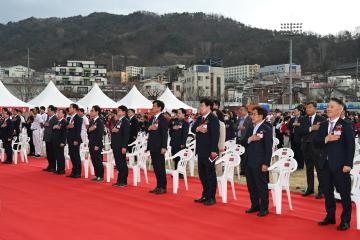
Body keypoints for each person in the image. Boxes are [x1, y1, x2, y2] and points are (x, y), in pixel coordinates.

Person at [314, 98, 355, 231]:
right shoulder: (324, 124)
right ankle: (330, 216)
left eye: (331, 106)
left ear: (340, 109)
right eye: (328, 106)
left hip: (340, 166)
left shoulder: (346, 124)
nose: (328, 109)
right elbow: (316, 142)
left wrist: (348, 164)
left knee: (344, 194)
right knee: (327, 192)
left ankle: (345, 220)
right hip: (324, 164)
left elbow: (351, 146)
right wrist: (327, 138)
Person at [241, 106, 273, 217]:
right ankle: (255, 205)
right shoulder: (250, 128)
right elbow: (243, 142)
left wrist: (266, 163)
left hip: (260, 162)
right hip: (249, 160)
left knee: (261, 186)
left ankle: (264, 208)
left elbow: (269, 148)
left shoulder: (266, 128)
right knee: (251, 185)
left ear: (260, 116)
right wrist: (250, 139)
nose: (252, 116)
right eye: (252, 114)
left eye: (254, 114)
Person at [192, 99, 220, 206]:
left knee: (210, 174)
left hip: (209, 151)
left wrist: (214, 150)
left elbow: (215, 135)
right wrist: (198, 128)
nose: (200, 108)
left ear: (209, 107)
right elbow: (193, 128)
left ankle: (211, 197)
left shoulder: (213, 119)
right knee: (202, 174)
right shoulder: (200, 118)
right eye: (200, 106)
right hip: (201, 150)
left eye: (202, 106)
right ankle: (205, 195)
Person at [299, 101, 326, 198]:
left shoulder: (322, 119)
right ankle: (310, 188)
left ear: (315, 108)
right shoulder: (302, 119)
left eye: (310, 107)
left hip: (317, 148)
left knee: (319, 169)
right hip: (306, 147)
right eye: (306, 108)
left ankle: (321, 190)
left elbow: (324, 133)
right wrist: (311, 128)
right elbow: (300, 131)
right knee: (309, 169)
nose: (308, 109)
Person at [147, 100, 169, 195]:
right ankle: (158, 186)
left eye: (154, 106)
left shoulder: (163, 119)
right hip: (153, 145)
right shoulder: (152, 118)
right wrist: (149, 127)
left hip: (159, 146)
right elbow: (148, 128)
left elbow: (164, 134)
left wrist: (164, 146)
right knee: (155, 167)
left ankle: (163, 187)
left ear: (159, 108)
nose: (153, 108)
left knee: (160, 167)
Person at [111, 105, 130, 187]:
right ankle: (119, 180)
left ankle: (123, 181)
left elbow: (126, 135)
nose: (117, 112)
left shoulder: (125, 121)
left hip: (121, 145)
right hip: (116, 144)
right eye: (117, 110)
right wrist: (114, 130)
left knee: (122, 163)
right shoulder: (118, 120)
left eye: (119, 110)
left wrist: (124, 147)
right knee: (118, 163)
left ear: (123, 112)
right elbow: (115, 130)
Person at [169, 108, 189, 175]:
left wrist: (183, 143)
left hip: (180, 143)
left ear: (183, 114)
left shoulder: (185, 123)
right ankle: (176, 171)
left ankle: (180, 173)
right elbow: (171, 132)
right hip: (174, 142)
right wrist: (173, 129)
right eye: (177, 113)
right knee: (174, 157)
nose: (178, 114)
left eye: (179, 113)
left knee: (180, 158)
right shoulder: (174, 122)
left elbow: (185, 134)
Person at [87, 105, 104, 182]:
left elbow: (100, 134)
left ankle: (100, 176)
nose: (91, 112)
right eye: (91, 110)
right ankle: (97, 175)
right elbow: (89, 131)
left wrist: (97, 145)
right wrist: (89, 130)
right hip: (91, 142)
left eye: (92, 110)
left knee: (98, 160)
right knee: (93, 159)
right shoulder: (92, 121)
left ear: (97, 112)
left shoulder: (99, 121)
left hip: (97, 144)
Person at [66, 103, 83, 178]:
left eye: (70, 108)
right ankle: (73, 171)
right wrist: (68, 126)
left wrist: (76, 140)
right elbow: (68, 127)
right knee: (72, 155)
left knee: (76, 156)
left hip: (75, 140)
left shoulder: (78, 118)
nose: (69, 109)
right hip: (70, 139)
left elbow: (78, 130)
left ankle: (78, 173)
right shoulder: (70, 118)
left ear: (74, 109)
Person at [236, 106, 252, 175]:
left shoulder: (250, 119)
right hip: (238, 139)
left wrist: (244, 128)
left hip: (245, 139)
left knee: (245, 156)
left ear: (246, 111)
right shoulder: (239, 118)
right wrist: (239, 127)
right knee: (239, 155)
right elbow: (234, 126)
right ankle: (241, 170)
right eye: (239, 110)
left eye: (241, 110)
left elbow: (249, 128)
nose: (240, 111)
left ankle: (245, 171)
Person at [42, 105, 58, 172]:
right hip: (47, 137)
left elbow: (54, 128)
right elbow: (45, 124)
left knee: (52, 152)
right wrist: (45, 124)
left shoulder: (55, 118)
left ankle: (53, 166)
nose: (47, 112)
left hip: (52, 137)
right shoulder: (48, 117)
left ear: (52, 111)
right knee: (48, 152)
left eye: (48, 110)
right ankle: (50, 165)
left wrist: (48, 125)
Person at [52, 109, 67, 175]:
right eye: (58, 113)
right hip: (55, 140)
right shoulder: (58, 121)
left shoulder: (64, 121)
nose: (58, 114)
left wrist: (63, 142)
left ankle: (62, 169)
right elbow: (54, 130)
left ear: (63, 114)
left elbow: (64, 133)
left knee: (60, 155)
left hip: (60, 141)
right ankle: (58, 168)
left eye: (60, 113)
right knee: (57, 155)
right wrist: (54, 127)